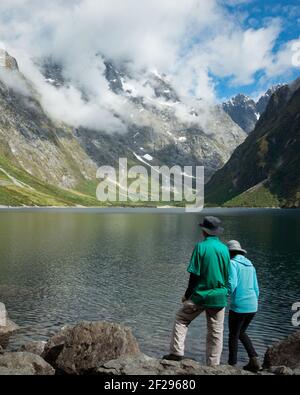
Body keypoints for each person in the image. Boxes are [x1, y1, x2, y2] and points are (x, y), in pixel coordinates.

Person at [164, 216, 230, 366]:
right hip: (219, 296)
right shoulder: (225, 249)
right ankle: (213, 364)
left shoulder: (201, 247)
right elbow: (227, 275)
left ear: (204, 231)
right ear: (217, 232)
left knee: (181, 319)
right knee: (216, 332)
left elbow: (194, 275)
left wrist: (187, 295)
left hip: (201, 295)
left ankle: (176, 353)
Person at [227, 240, 261, 372]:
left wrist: (223, 295)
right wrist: (253, 302)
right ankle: (254, 359)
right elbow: (256, 288)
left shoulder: (232, 263)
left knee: (233, 335)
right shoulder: (250, 265)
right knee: (241, 332)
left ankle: (231, 365)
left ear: (229, 253)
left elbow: (232, 284)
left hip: (239, 306)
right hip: (253, 305)